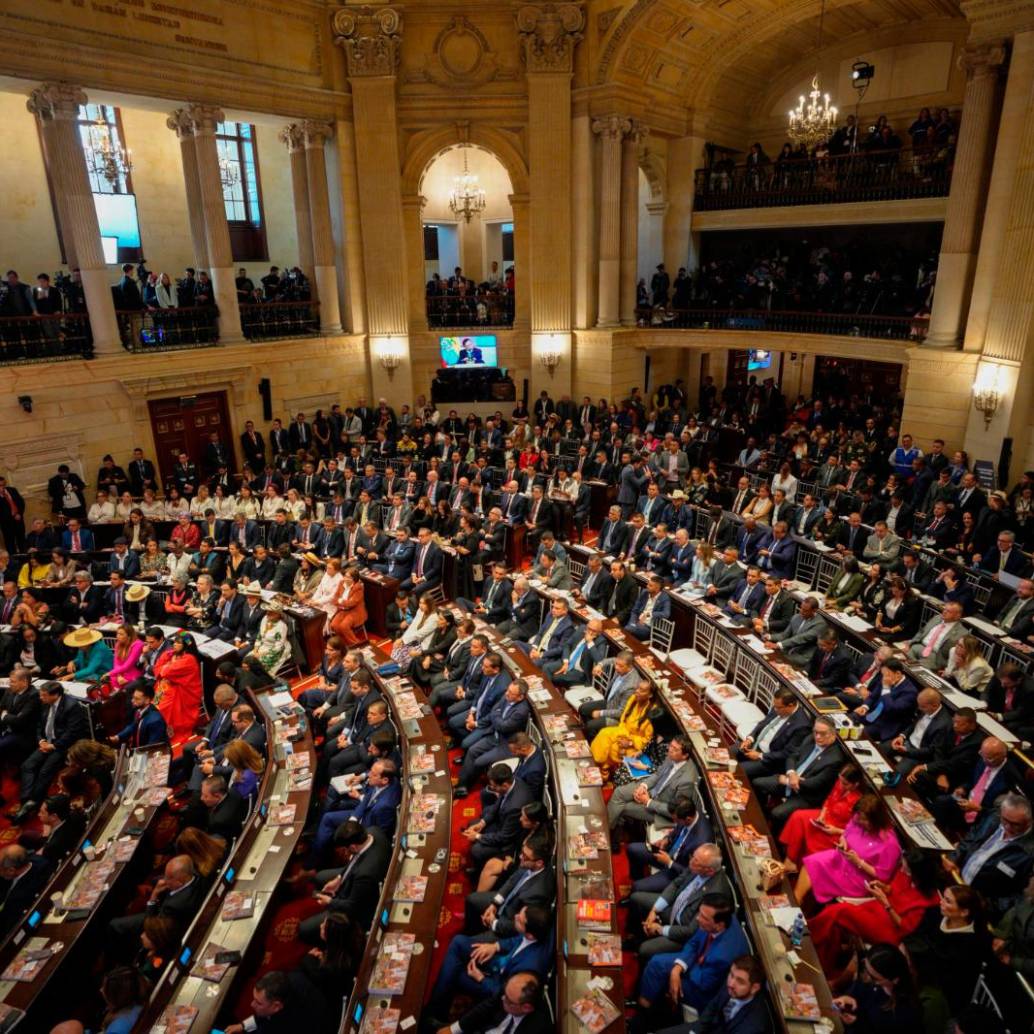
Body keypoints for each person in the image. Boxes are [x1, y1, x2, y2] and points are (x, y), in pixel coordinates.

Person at [636, 893, 749, 1027]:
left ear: (718, 926)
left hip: (702, 989)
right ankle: (643, 1009)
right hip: (698, 962)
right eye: (699, 913)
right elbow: (693, 942)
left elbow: (703, 983)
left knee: (662, 978)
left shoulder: (723, 956)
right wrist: (678, 968)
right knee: (656, 963)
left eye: (703, 917)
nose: (697, 918)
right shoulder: (714, 921)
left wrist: (675, 975)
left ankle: (644, 1020)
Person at [791, 794, 900, 905]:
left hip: (858, 878)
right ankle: (796, 900)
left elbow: (882, 876)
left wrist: (859, 862)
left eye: (864, 820)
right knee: (811, 863)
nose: (860, 821)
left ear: (877, 820)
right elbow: (845, 834)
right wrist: (843, 842)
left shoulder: (890, 844)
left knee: (816, 868)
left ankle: (798, 902)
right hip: (840, 859)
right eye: (859, 818)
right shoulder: (857, 819)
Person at [13, 682, 90, 824]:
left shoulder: (72, 706)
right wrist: (41, 741)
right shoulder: (45, 703)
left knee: (44, 772)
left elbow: (72, 733)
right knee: (27, 766)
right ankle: (27, 802)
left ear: (55, 695)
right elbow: (39, 725)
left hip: (62, 746)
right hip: (46, 743)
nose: (40, 698)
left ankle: (32, 804)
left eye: (44, 695)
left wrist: (53, 746)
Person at [778, 763, 865, 865]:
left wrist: (836, 830)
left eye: (845, 784)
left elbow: (857, 830)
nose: (841, 785)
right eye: (840, 780)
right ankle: (790, 858)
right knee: (798, 816)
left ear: (856, 784)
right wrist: (822, 815)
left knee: (816, 840)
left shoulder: (859, 802)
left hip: (837, 829)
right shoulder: (840, 782)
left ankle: (795, 862)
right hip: (826, 816)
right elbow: (829, 800)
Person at [831, 943, 922, 1033]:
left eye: (875, 978)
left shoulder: (904, 1015)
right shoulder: (869, 978)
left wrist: (856, 1023)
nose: (868, 978)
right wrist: (848, 998)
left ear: (894, 980)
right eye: (866, 970)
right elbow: (856, 992)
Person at [49, 966, 149, 1034]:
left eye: (105, 988)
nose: (101, 990)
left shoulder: (118, 1028)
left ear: (116, 997)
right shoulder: (137, 1002)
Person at [590, 679, 656, 779]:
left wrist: (629, 743)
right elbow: (623, 719)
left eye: (641, 690)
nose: (637, 691)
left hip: (635, 745)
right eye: (637, 688)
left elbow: (647, 740)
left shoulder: (652, 712)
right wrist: (621, 738)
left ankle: (603, 770)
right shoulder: (633, 698)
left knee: (614, 748)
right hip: (623, 731)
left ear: (650, 695)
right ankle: (594, 763)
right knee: (604, 733)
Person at [153, 632, 203, 740]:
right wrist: (165, 667)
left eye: (178, 642)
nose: (174, 644)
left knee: (163, 709)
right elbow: (157, 668)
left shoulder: (189, 659)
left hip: (182, 692)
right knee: (155, 707)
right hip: (164, 687)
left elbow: (166, 672)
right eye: (174, 641)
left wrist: (165, 667)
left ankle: (166, 734)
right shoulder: (171, 654)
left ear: (185, 645)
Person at [329, 565, 367, 646]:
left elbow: (352, 603)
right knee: (334, 625)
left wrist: (340, 601)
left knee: (344, 626)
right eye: (345, 576)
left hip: (355, 612)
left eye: (348, 577)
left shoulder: (358, 587)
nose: (345, 578)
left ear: (353, 579)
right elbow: (335, 598)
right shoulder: (341, 583)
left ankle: (355, 644)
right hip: (343, 610)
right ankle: (343, 643)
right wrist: (341, 601)